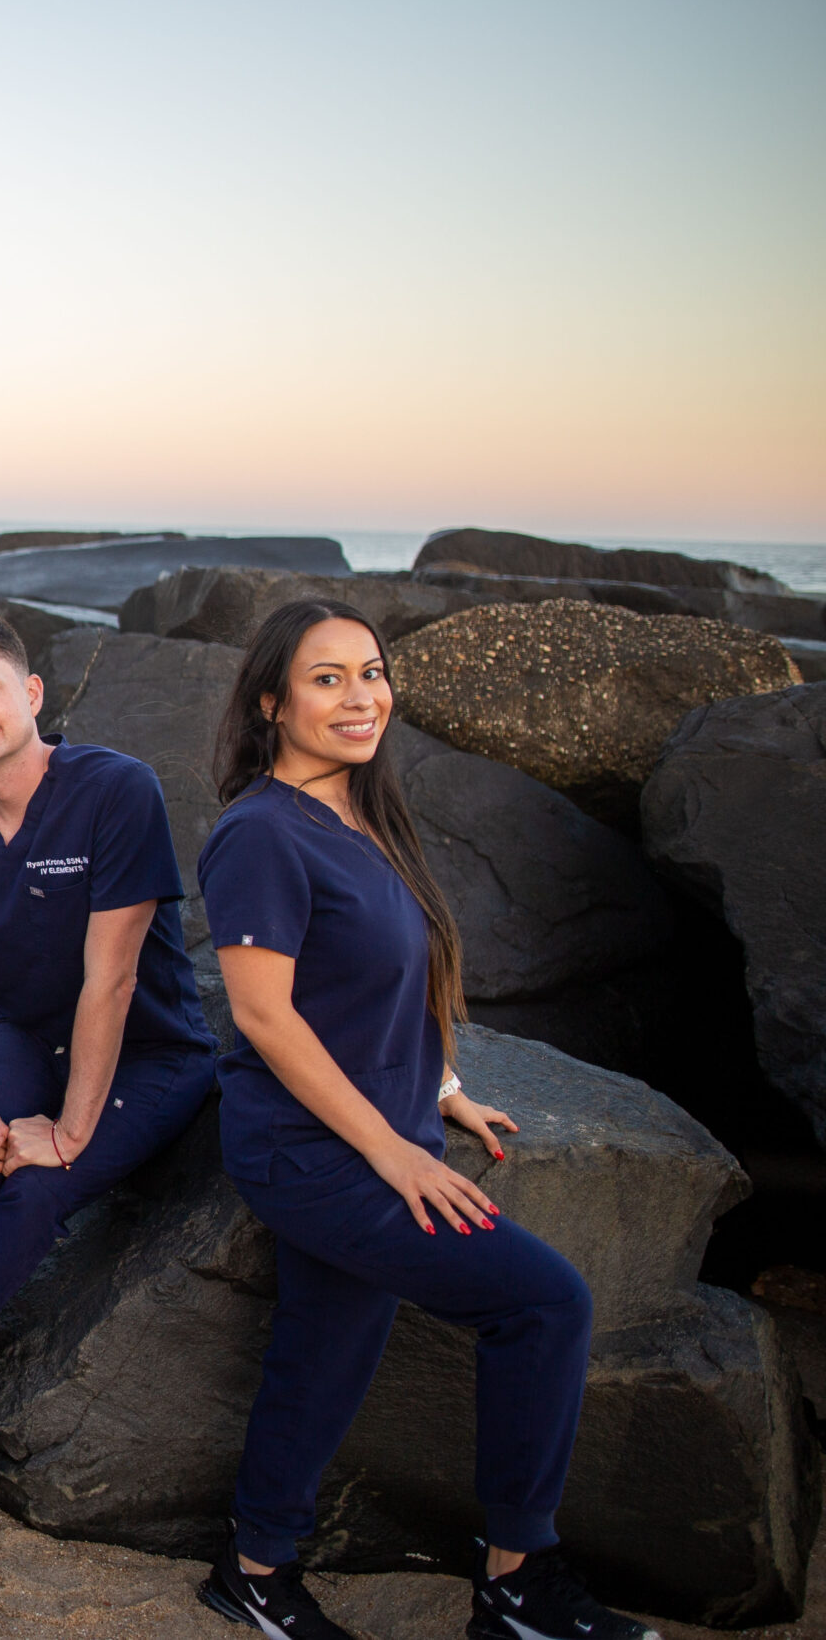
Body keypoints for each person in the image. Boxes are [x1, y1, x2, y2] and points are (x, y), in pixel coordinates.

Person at [194, 600, 650, 1640]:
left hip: (378, 1125)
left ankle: (252, 1571)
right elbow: (265, 1018)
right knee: (543, 1305)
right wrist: (394, 1151)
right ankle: (517, 1579)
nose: (360, 697)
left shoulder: (365, 809)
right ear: (271, 702)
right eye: (326, 678)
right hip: (311, 1155)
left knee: (325, 1350)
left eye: (371, 672)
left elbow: (389, 982)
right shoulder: (261, 832)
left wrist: (440, 1091)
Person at [0, 610, 220, 1416]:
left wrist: (69, 1132)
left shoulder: (117, 789)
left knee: (31, 1191)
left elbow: (112, 981)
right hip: (30, 1032)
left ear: (32, 690)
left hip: (151, 1052)